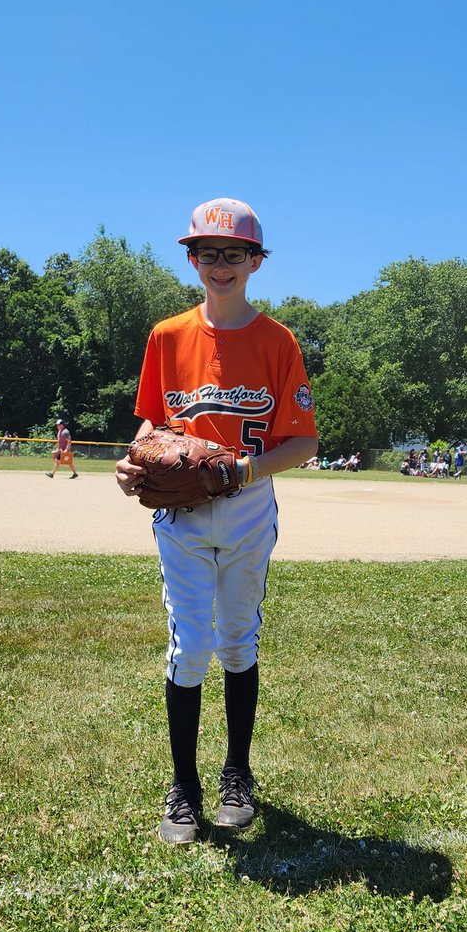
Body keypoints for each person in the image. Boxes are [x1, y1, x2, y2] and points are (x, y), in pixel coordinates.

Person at [115, 197, 318, 845]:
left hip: (249, 508)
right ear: (192, 259)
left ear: (256, 261)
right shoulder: (167, 336)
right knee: (189, 645)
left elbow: (303, 443)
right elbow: (152, 424)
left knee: (238, 640)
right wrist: (136, 463)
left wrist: (240, 472)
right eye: (207, 253)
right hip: (182, 513)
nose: (220, 265)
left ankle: (236, 774)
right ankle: (184, 788)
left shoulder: (278, 341)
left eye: (234, 253)